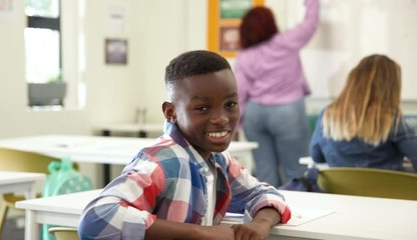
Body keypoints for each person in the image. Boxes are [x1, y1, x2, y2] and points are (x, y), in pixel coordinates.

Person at [78, 50, 291, 240]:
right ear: (171, 113)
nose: (221, 118)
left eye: (230, 104)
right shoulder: (162, 163)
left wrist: (261, 223)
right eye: (202, 108)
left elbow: (264, 193)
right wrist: (200, 233)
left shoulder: (218, 160)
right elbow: (96, 218)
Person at [234, 0, 320, 186]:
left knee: (264, 172)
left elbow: (239, 92)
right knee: (296, 171)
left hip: (255, 114)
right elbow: (310, 23)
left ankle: (269, 210)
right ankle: (299, 212)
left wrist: (237, 123)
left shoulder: (244, 56)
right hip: (287, 112)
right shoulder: (286, 42)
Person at [310, 54, 417, 171]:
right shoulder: (391, 121)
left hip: (339, 188)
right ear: (391, 88)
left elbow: (317, 157)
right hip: (387, 188)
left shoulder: (327, 115)